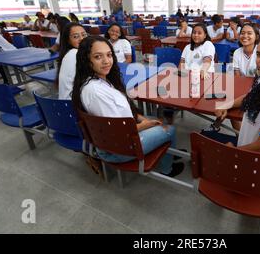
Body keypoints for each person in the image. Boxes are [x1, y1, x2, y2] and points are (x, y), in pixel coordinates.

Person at [71, 36, 184, 177]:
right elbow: (118, 131)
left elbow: (125, 113)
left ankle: (170, 152)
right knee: (170, 129)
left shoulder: (99, 81)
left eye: (109, 55)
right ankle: (167, 169)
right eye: (98, 57)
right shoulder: (95, 92)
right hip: (120, 149)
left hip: (120, 138)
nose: (106, 61)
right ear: (86, 60)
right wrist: (147, 124)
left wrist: (143, 120)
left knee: (160, 122)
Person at [57, 23, 88, 99]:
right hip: (73, 105)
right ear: (68, 40)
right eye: (75, 36)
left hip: (66, 103)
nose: (81, 38)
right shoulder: (75, 54)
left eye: (84, 35)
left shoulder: (69, 53)